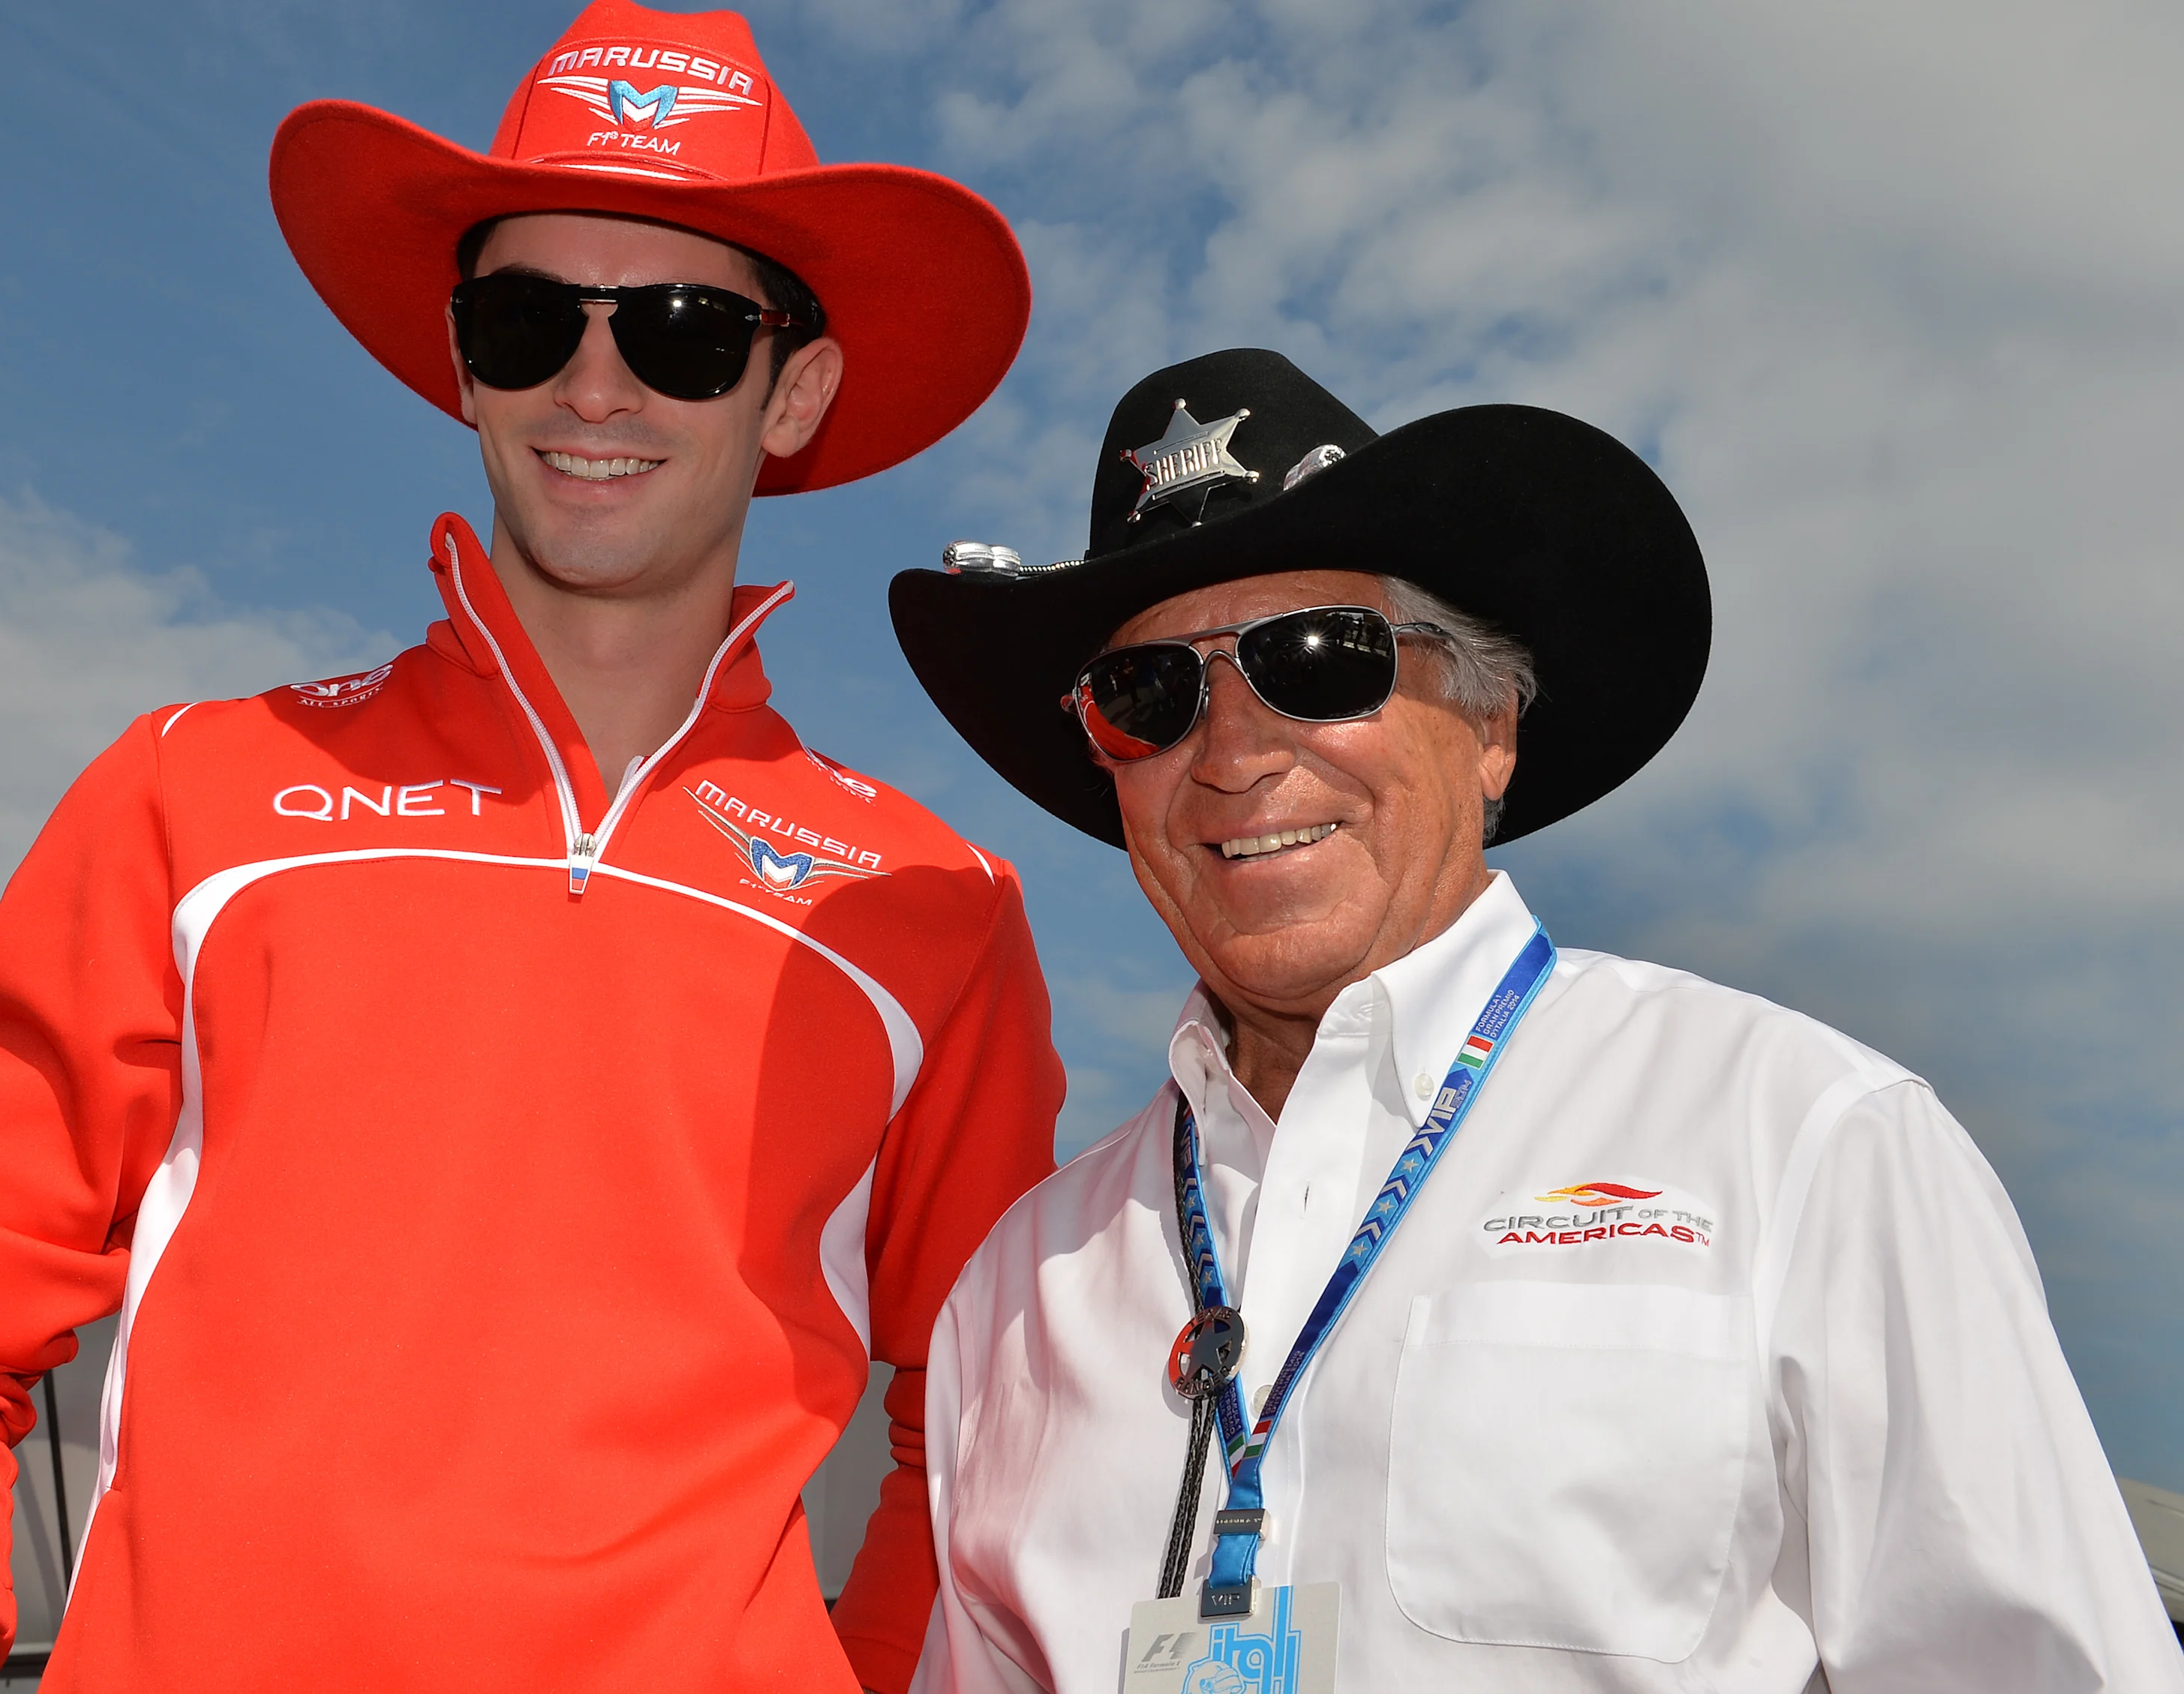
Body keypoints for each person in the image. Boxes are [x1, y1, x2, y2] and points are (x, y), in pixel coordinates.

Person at [0, 7, 1061, 1692]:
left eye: (684, 331)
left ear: (792, 390)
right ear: (462, 358)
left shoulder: (935, 906)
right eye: (528, 318)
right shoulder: (192, 787)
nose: (594, 385)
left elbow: (980, 1435)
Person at [889, 347, 2183, 1691]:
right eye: (1147, 693)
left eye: (1320, 659)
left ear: (1494, 719)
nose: (1231, 751)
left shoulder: (1808, 1143)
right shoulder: (1015, 1288)